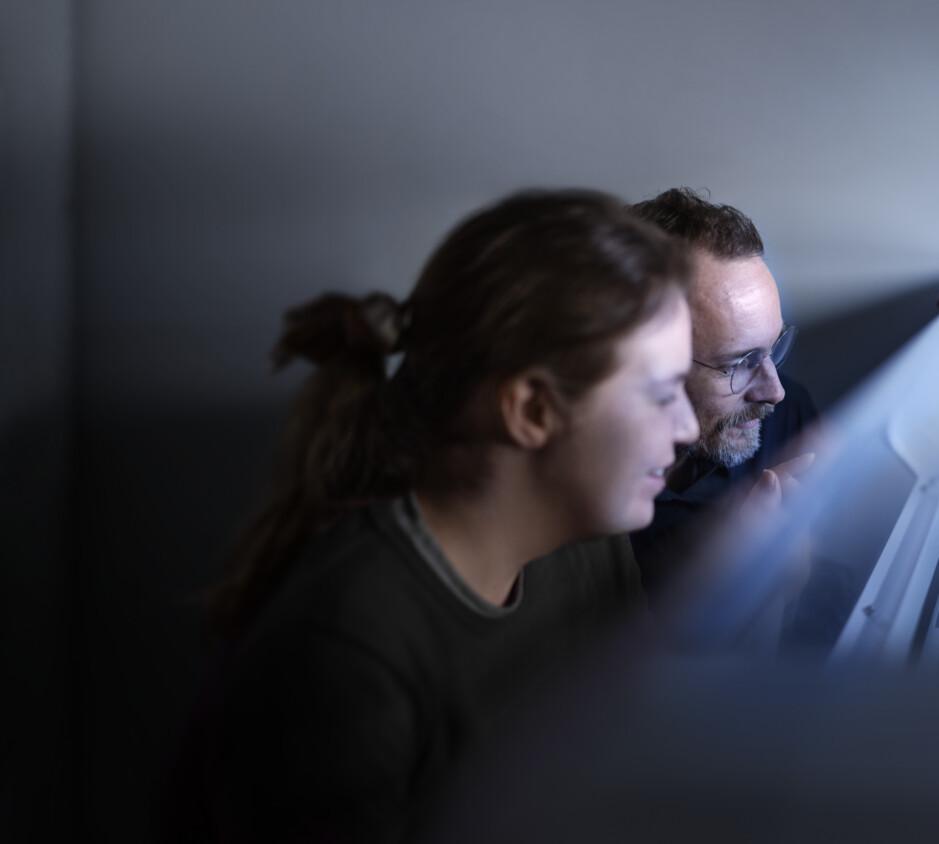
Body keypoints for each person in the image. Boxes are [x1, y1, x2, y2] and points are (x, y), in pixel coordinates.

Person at [163, 189, 698, 842]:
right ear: (532, 411)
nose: (688, 428)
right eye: (664, 395)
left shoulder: (590, 542)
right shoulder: (346, 654)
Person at [626, 188, 819, 596]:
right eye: (740, 363)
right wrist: (757, 584)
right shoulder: (599, 512)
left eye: (774, 350)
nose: (774, 391)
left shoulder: (784, 419)